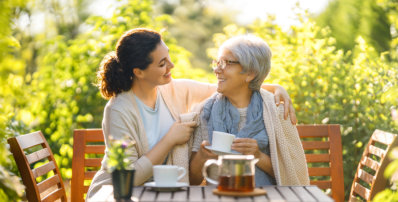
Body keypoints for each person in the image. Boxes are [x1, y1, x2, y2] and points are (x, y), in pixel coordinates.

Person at [87, 28, 297, 198]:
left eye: (168, 57)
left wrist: (276, 87)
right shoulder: (119, 110)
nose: (172, 65)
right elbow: (125, 178)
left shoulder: (174, 89)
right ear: (138, 72)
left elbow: (227, 86)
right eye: (162, 63)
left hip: (162, 192)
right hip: (117, 193)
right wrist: (170, 140)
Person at [190, 35, 309, 186]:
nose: (216, 69)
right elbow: (192, 181)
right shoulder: (206, 111)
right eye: (218, 62)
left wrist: (258, 156)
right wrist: (202, 157)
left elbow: (293, 176)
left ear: (250, 73)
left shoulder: (276, 110)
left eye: (227, 63)